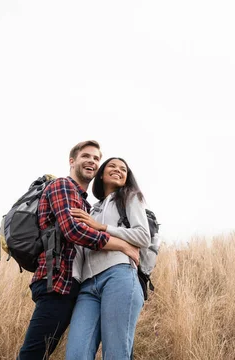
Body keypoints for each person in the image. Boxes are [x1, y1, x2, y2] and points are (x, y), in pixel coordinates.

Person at [17, 141, 140, 360]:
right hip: (56, 282)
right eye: (86, 156)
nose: (92, 161)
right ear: (72, 161)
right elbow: (73, 231)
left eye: (96, 158)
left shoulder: (86, 204)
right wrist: (121, 244)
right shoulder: (63, 186)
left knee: (43, 350)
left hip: (71, 285)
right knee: (34, 352)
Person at [65, 157, 150, 360]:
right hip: (88, 286)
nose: (118, 170)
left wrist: (102, 227)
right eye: (112, 166)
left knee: (115, 354)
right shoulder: (90, 208)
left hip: (119, 276)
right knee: (76, 354)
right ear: (101, 174)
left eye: (123, 169)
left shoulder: (130, 197)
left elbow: (143, 236)